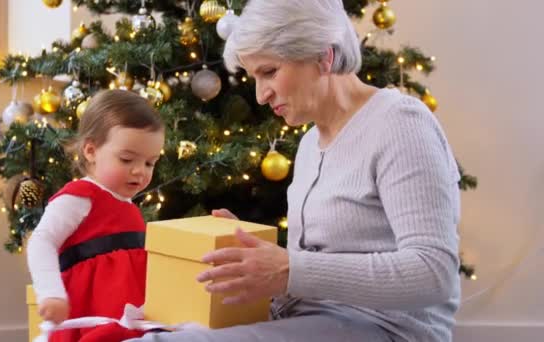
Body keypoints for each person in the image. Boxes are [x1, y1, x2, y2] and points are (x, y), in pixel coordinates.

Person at [131, 0, 461, 341]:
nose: (260, 96)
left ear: (323, 56)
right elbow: (317, 269)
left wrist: (290, 269)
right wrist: (250, 248)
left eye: (269, 72)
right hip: (307, 318)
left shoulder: (400, 125)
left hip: (386, 330)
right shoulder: (309, 144)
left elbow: (434, 274)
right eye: (253, 76)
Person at [27, 89, 165, 342]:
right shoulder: (79, 197)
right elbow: (41, 241)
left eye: (150, 163)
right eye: (127, 159)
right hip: (91, 316)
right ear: (90, 151)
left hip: (129, 316)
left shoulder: (130, 208)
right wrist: (51, 293)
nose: (140, 172)